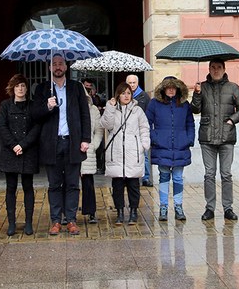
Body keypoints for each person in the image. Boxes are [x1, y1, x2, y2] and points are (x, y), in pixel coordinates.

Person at [30, 54, 91, 236]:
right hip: (52, 143)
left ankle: (71, 220)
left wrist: (85, 139)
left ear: (66, 66)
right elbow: (34, 115)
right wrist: (47, 107)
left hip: (72, 142)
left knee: (72, 183)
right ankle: (56, 220)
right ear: (50, 68)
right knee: (54, 184)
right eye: (54, 64)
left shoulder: (76, 87)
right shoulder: (42, 89)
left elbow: (84, 114)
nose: (57, 67)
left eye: (60, 64)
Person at [191, 59, 239, 221]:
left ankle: (228, 208)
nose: (216, 70)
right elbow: (195, 110)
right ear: (209, 69)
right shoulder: (202, 87)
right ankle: (209, 208)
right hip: (207, 137)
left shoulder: (233, 87)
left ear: (224, 69)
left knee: (226, 174)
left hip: (227, 137)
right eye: (213, 68)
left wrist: (232, 120)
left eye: (218, 68)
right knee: (209, 174)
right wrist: (196, 94)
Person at [145, 76, 195, 222]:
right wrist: (154, 138)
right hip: (162, 147)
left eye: (174, 87)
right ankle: (163, 207)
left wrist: (189, 139)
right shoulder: (154, 104)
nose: (171, 90)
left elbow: (190, 124)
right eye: (168, 87)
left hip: (181, 146)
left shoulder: (184, 105)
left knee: (178, 177)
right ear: (163, 89)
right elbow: (146, 123)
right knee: (164, 176)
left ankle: (178, 207)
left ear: (178, 89)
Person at [101, 82, 151, 225]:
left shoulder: (137, 111)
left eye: (129, 93)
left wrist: (144, 145)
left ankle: (134, 212)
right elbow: (106, 124)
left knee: (133, 186)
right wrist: (110, 108)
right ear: (118, 94)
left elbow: (144, 128)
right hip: (116, 153)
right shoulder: (112, 109)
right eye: (123, 93)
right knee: (117, 186)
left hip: (132, 153)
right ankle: (120, 212)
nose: (126, 96)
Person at [0, 74, 40, 236]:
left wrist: (23, 144)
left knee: (28, 187)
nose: (20, 89)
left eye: (22, 86)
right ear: (12, 89)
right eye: (17, 86)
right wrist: (14, 145)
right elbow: (2, 127)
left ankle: (28, 222)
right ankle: (12, 223)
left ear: (27, 88)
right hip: (10, 152)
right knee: (11, 188)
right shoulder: (5, 106)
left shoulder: (33, 106)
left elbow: (36, 127)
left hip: (28, 151)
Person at [80, 89, 104, 224]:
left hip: (88, 150)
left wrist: (94, 145)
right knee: (68, 183)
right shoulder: (69, 108)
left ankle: (91, 211)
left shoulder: (93, 109)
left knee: (88, 183)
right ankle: (66, 213)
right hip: (71, 150)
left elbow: (99, 129)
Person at [127, 74, 152, 187]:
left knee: (144, 154)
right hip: (128, 130)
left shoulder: (144, 96)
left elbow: (149, 114)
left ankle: (146, 178)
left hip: (141, 130)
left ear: (137, 83)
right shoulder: (124, 95)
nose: (132, 85)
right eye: (130, 83)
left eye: (134, 83)